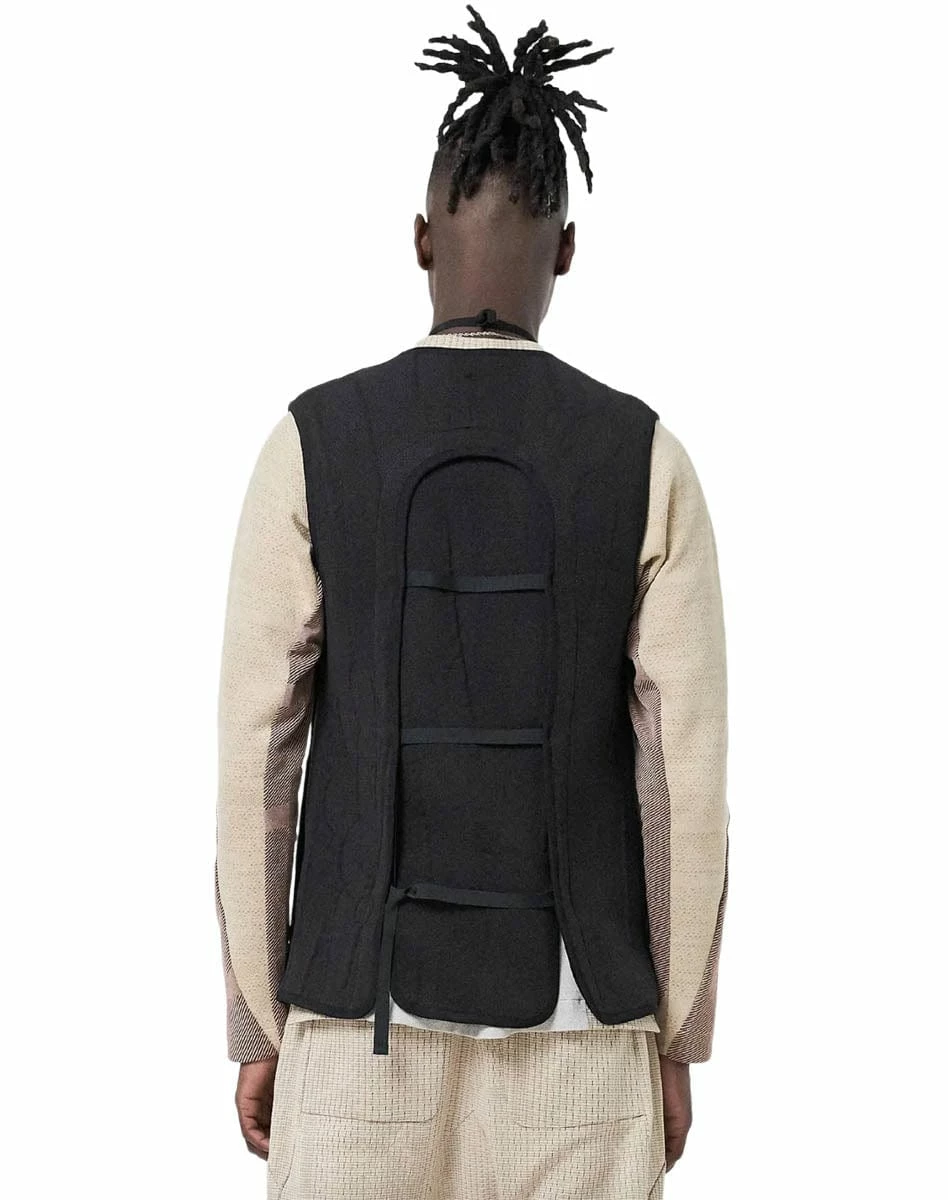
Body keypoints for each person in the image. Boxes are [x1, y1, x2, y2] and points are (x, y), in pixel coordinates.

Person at [214, 7, 729, 1197]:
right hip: (585, 1037)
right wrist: (677, 1035)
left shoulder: (311, 444)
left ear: (418, 240)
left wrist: (256, 1020)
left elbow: (256, 755)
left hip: (354, 1031)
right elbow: (685, 781)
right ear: (568, 250)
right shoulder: (647, 459)